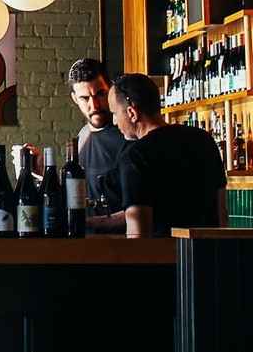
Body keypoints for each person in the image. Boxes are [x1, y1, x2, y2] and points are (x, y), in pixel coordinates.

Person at [86, 73, 226, 236]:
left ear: (132, 113)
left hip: (165, 258)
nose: (115, 121)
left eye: (115, 113)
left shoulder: (135, 157)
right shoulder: (204, 140)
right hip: (206, 256)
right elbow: (222, 211)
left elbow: (138, 237)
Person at [65, 58, 129, 217]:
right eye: (85, 98)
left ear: (111, 90)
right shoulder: (83, 135)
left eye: (100, 94)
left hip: (120, 240)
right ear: (75, 99)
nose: (94, 105)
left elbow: (141, 210)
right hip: (87, 239)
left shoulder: (128, 136)